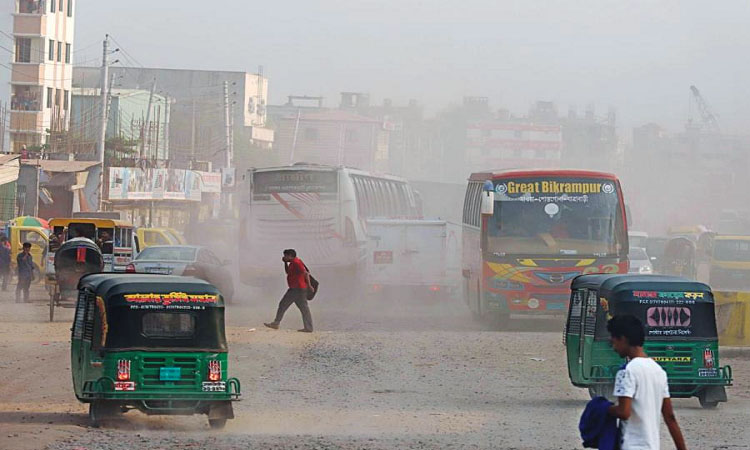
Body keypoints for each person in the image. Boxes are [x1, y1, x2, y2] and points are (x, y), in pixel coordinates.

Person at [607, 315, 687, 450]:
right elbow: (670, 417)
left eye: (614, 342)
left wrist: (602, 408)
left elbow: (624, 412)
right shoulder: (658, 371)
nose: (614, 348)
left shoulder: (627, 371)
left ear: (623, 339)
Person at [264, 249, 313, 333]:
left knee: (283, 304)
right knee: (304, 308)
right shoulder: (292, 263)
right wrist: (285, 263)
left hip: (297, 289)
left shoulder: (297, 262)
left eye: (286, 255)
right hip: (297, 288)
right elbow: (288, 272)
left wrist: (309, 285)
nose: (284, 257)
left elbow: (305, 273)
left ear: (290, 255)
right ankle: (308, 328)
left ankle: (276, 323)